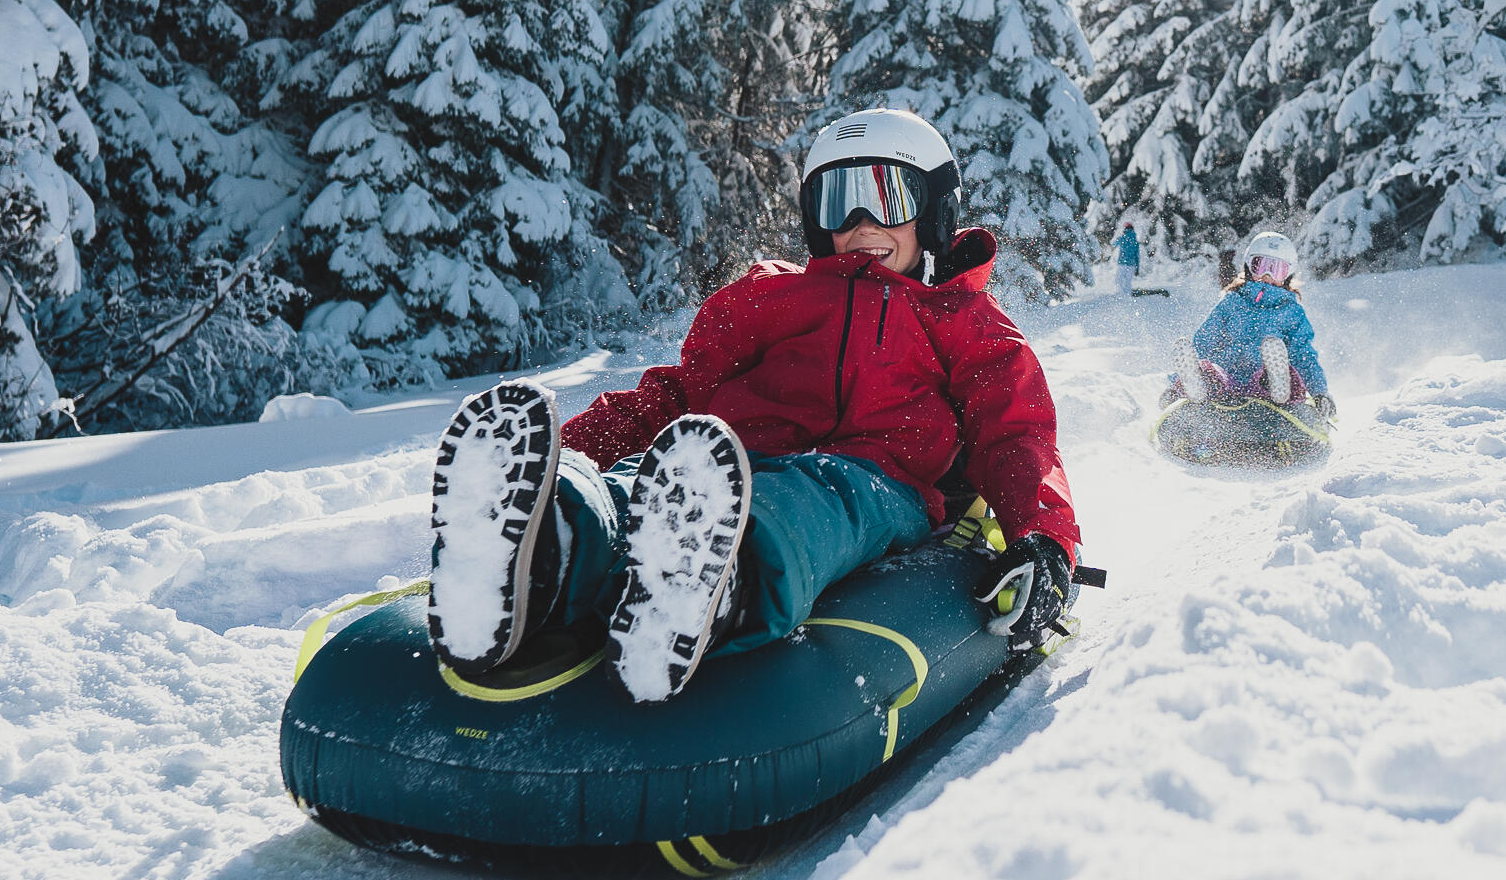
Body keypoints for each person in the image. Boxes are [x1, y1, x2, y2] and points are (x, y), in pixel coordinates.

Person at [409, 108, 1083, 704]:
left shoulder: (962, 318)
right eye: (837, 202)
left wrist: (1044, 538)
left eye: (886, 196)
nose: (860, 224)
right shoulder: (768, 295)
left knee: (806, 506)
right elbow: (677, 394)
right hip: (714, 462)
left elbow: (1015, 433)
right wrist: (566, 455)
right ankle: (546, 542)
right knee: (635, 487)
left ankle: (718, 581)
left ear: (935, 210)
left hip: (869, 480)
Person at [1180, 229, 1331, 410]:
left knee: (1287, 376)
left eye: (1276, 269)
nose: (1267, 275)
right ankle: (1194, 387)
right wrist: (1179, 381)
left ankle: (1276, 381)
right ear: (1248, 266)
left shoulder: (1291, 311)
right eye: (1260, 266)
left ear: (1288, 275)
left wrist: (1319, 393)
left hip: (1268, 390)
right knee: (1211, 372)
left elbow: (1303, 355)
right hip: (1229, 381)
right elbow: (1204, 343)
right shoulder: (1232, 302)